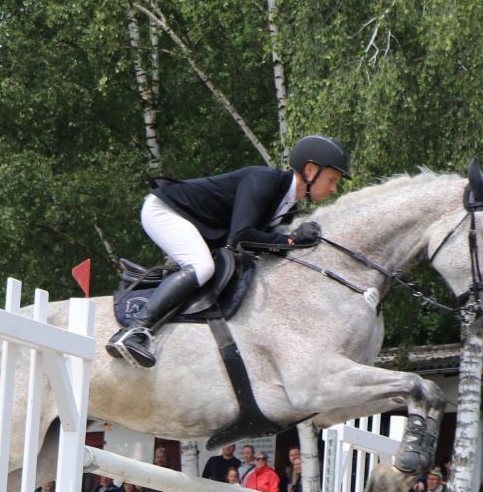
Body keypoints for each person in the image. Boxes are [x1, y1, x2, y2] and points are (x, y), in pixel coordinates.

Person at [106, 135, 351, 367]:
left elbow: (262, 244)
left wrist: (293, 241)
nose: (334, 189)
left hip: (193, 222)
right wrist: (292, 240)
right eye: (332, 179)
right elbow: (241, 238)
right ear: (310, 170)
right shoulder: (264, 180)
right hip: (164, 211)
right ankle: (133, 331)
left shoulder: (285, 205)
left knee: (208, 269)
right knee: (202, 267)